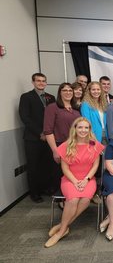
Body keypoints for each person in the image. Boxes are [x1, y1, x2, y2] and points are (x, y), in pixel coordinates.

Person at [44, 117, 104, 248]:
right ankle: (61, 232)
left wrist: (86, 179)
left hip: (88, 179)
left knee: (85, 200)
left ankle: (62, 226)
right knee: (73, 200)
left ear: (89, 130)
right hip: (70, 179)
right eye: (80, 127)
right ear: (75, 129)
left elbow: (95, 166)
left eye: (86, 128)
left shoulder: (94, 144)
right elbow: (64, 168)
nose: (83, 130)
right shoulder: (66, 145)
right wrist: (75, 181)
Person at [19, 73, 55, 203]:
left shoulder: (51, 98)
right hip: (33, 138)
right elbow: (25, 118)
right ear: (33, 82)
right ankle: (34, 193)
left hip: (49, 137)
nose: (41, 83)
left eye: (43, 81)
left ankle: (46, 188)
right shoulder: (26, 97)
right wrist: (40, 133)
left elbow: (53, 117)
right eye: (38, 81)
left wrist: (48, 134)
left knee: (47, 164)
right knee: (33, 166)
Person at [44, 83, 81, 193]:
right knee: (60, 175)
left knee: (72, 174)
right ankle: (61, 200)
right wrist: (55, 151)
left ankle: (71, 196)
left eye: (70, 90)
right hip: (60, 145)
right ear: (60, 92)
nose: (68, 93)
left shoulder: (76, 110)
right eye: (65, 90)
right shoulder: (52, 108)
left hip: (75, 146)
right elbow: (48, 131)